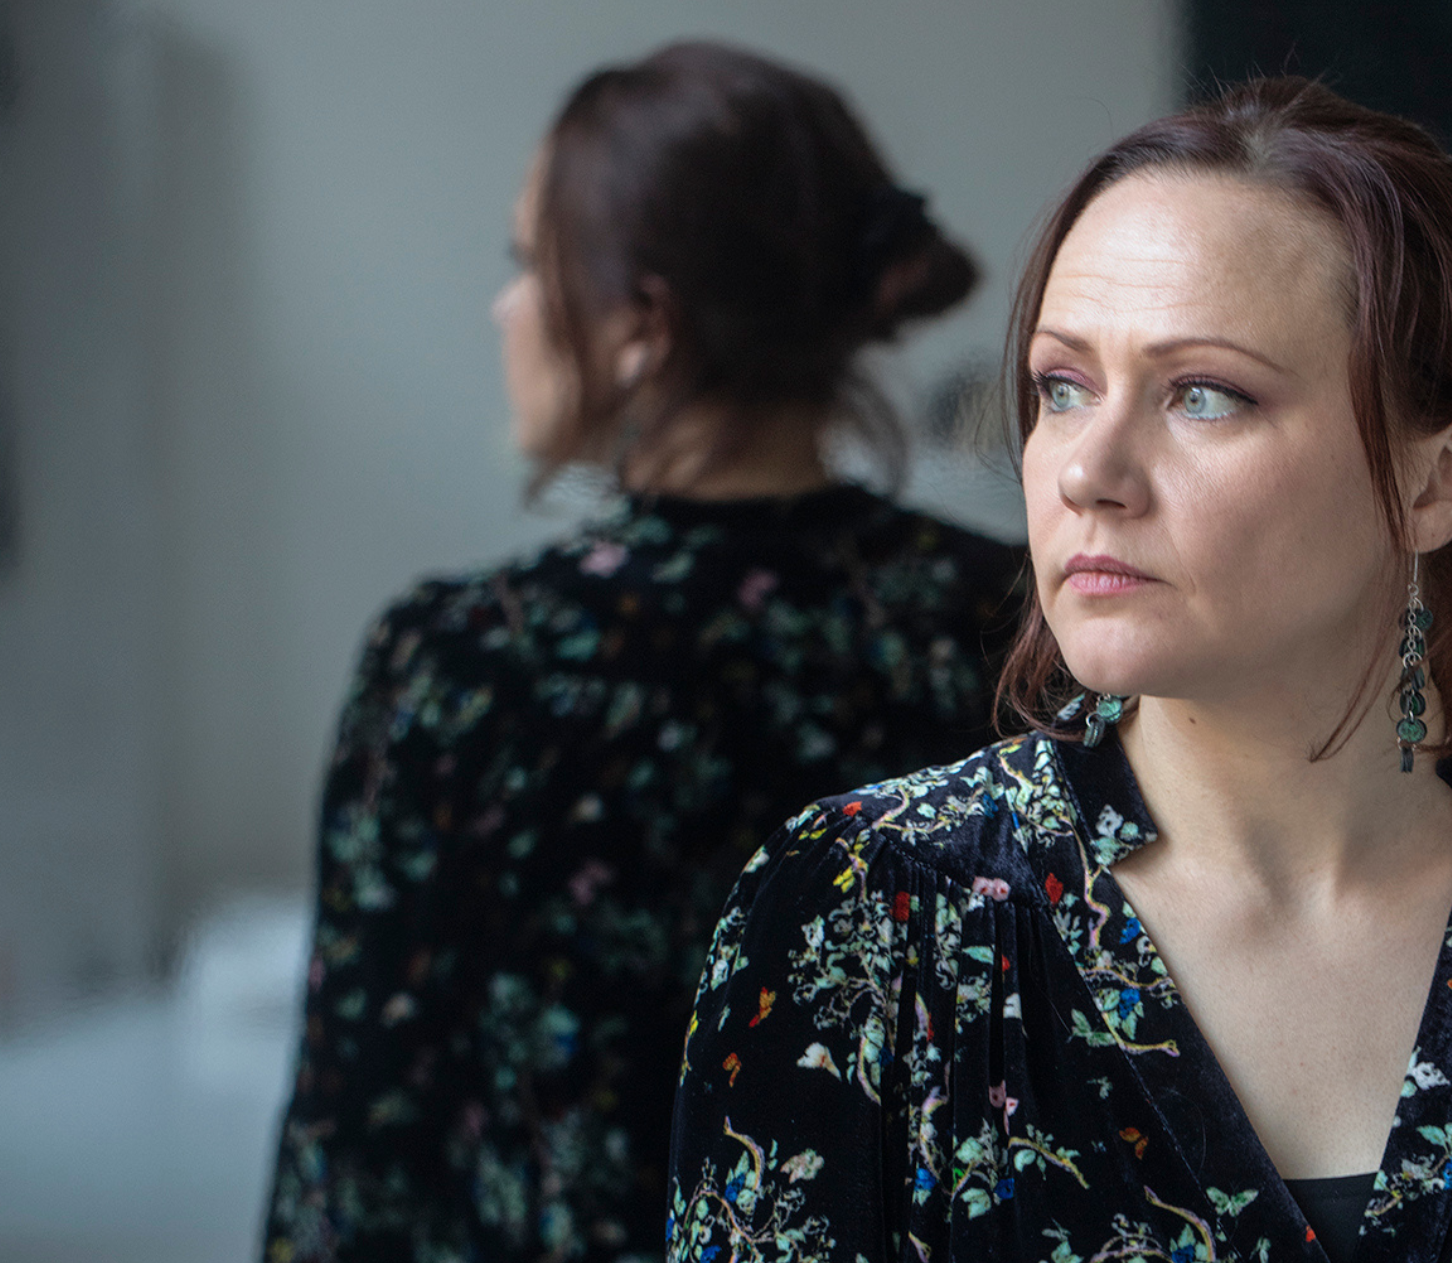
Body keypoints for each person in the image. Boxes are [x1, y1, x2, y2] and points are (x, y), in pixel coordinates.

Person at [666, 77, 1452, 1263]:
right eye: (1061, 388)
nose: (1088, 471)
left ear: (1442, 476)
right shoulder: (863, 913)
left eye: (1204, 395)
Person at [264, 42, 1022, 1263]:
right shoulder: (1006, 623)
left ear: (640, 328)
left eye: (528, 263)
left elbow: (359, 1151)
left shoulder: (468, 668)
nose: (506, 307)